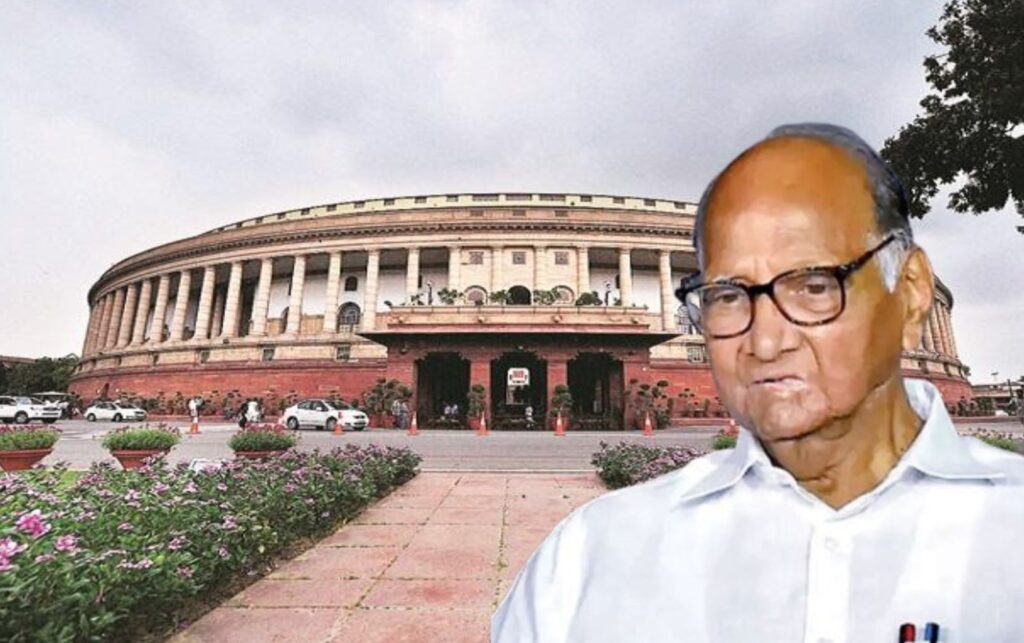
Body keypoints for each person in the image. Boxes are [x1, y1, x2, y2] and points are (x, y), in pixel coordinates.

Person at [492, 124, 1024, 641]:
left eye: (815, 285)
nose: (766, 341)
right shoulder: (587, 559)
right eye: (727, 296)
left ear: (911, 294)